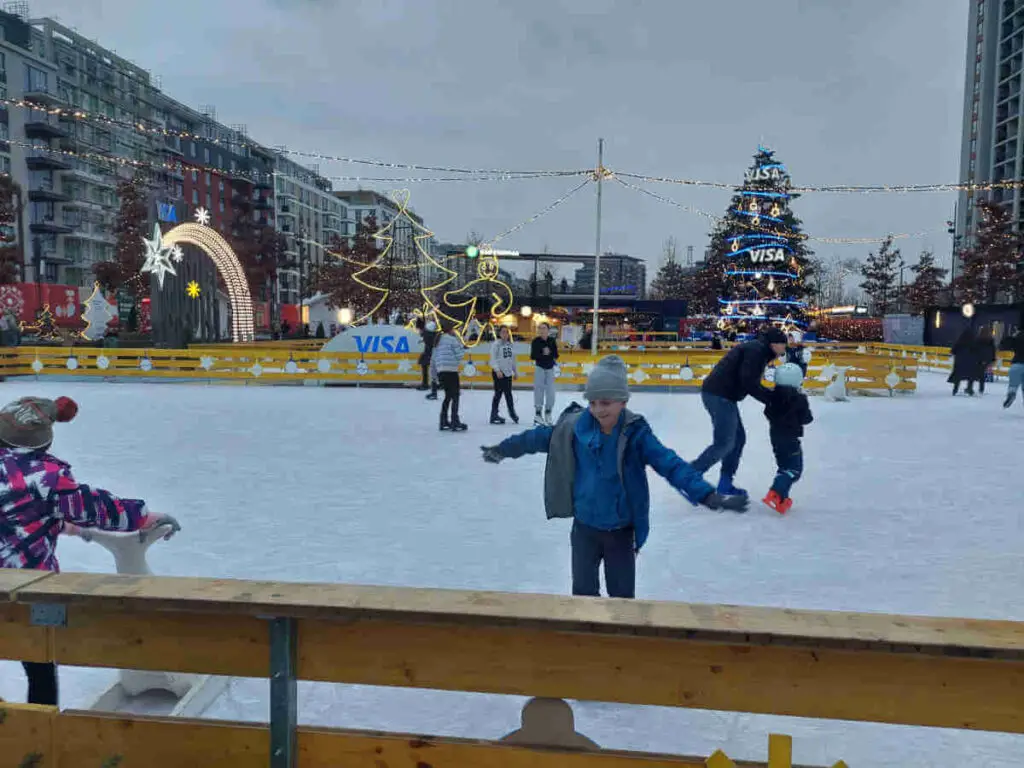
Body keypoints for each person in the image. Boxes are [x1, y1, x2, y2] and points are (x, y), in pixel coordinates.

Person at [479, 356, 748, 599]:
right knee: (584, 595)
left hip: (620, 532)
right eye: (593, 402)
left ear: (623, 401)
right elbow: (535, 438)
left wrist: (706, 494)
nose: (598, 409)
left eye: (606, 402)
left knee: (621, 599)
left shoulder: (636, 434)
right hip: (584, 529)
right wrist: (503, 449)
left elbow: (670, 464)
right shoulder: (573, 429)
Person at [0, 395, 180, 705]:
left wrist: (59, 524)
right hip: (26, 589)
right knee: (39, 663)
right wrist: (145, 517)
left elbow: (15, 514)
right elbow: (100, 509)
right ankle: (40, 736)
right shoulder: (47, 479)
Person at [690, 327, 788, 497]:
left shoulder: (759, 350)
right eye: (783, 345)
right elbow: (749, 382)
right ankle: (688, 476)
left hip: (724, 395)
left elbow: (749, 381)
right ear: (774, 344)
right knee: (725, 442)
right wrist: (772, 399)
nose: (784, 349)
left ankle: (725, 484)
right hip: (718, 395)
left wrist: (771, 398)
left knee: (737, 440)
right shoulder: (756, 351)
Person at [762, 363, 813, 514]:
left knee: (784, 467)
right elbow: (807, 419)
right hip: (791, 438)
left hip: (776, 438)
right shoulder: (799, 399)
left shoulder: (772, 396)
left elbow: (767, 413)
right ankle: (776, 491)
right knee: (794, 470)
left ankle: (781, 498)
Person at [434, 323, 467, 432]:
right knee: (455, 396)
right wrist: (462, 347)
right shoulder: (452, 340)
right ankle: (454, 421)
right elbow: (459, 355)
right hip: (451, 371)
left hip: (441, 372)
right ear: (451, 330)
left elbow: (434, 358)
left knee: (448, 396)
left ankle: (443, 421)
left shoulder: (438, 340)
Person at [489, 326, 519, 425]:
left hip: (508, 373)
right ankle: (494, 415)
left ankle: (512, 413)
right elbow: (492, 359)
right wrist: (497, 370)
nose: (505, 334)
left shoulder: (510, 345)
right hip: (499, 373)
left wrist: (515, 371)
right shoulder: (496, 344)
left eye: (507, 332)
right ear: (499, 333)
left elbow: (513, 360)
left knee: (508, 394)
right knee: (498, 394)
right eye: (503, 332)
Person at [530, 322, 559, 425]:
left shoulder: (552, 341)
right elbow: (533, 356)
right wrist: (543, 353)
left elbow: (556, 354)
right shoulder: (535, 341)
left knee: (551, 391)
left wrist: (549, 352)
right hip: (539, 368)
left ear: (548, 330)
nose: (542, 330)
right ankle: (538, 414)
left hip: (550, 368)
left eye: (544, 328)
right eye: (540, 328)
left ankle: (548, 412)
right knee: (538, 390)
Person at [948, 328, 977, 396]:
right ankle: (969, 389)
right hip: (970, 363)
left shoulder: (959, 342)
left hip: (959, 362)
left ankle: (955, 390)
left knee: (958, 376)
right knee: (970, 376)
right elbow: (977, 352)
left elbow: (953, 351)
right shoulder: (974, 343)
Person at [1001, 328, 1024, 408]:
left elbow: (1004, 345)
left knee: (1013, 385)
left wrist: (1013, 336)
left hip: (1016, 364)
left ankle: (1012, 394)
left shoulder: (1018, 337)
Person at [973, 327, 997, 395]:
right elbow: (993, 350)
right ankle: (981, 388)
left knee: (978, 372)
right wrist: (993, 359)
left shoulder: (978, 339)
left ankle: (972, 386)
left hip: (979, 358)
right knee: (982, 373)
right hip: (987, 358)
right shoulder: (991, 340)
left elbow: (975, 349)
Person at [416, 319, 439, 392]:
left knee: (425, 366)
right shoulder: (430, 332)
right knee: (435, 369)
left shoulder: (426, 333)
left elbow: (429, 342)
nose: (418, 331)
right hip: (433, 352)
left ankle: (425, 384)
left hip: (429, 353)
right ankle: (439, 384)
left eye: (419, 329)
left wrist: (424, 339)